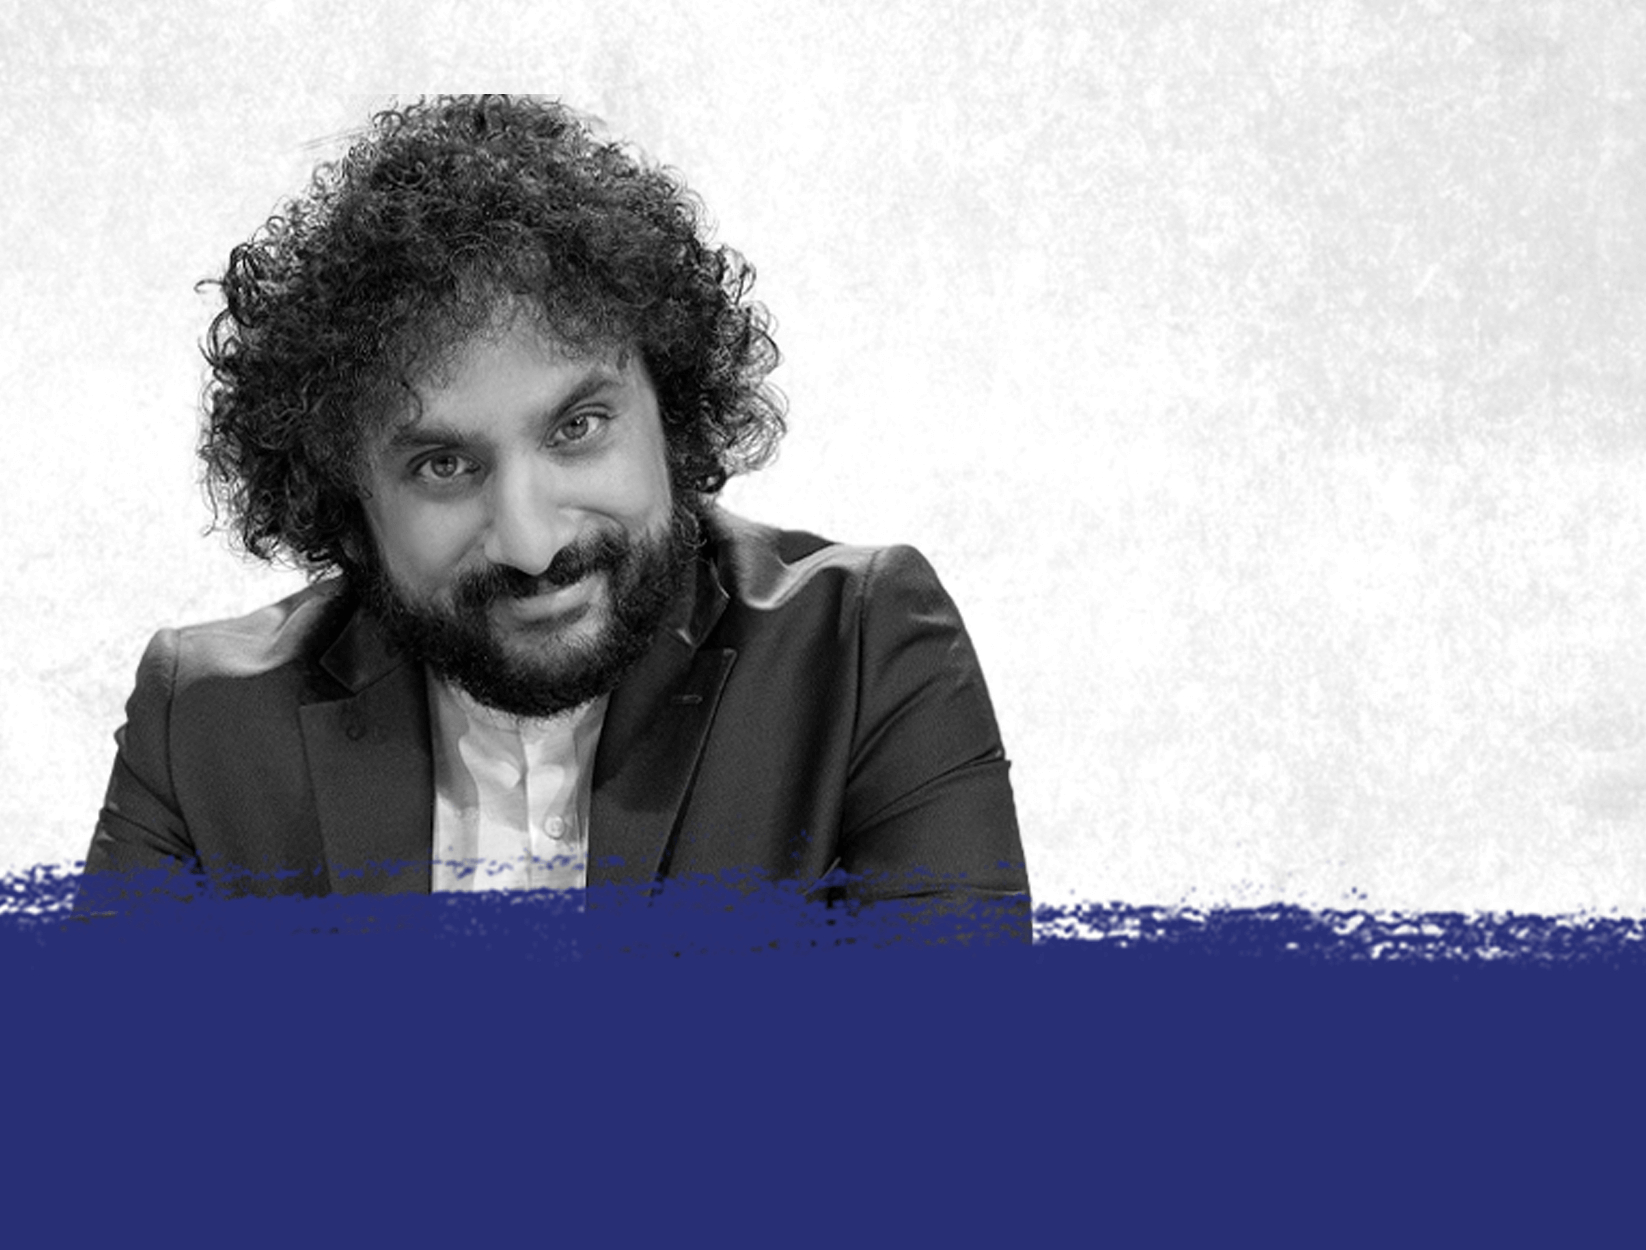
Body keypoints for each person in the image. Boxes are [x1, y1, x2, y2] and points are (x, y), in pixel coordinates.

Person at [86, 95, 1029, 939]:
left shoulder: (860, 650)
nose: (532, 544)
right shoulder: (204, 722)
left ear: (671, 412)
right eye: (444, 466)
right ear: (346, 502)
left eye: (577, 429)